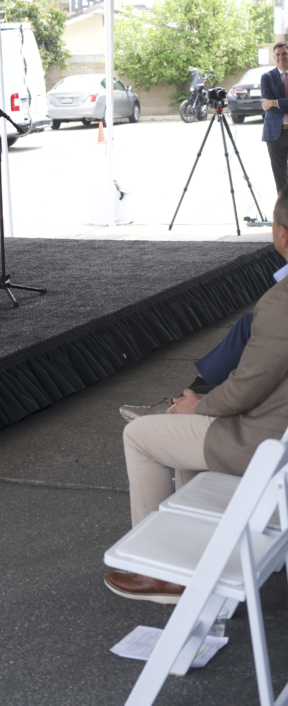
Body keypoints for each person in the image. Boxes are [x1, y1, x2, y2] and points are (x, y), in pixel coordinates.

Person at [104, 186, 288, 603]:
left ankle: (159, 569)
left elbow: (246, 389)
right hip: (275, 431)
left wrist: (200, 404)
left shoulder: (282, 302)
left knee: (141, 435)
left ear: (281, 235)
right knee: (182, 432)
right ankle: (197, 560)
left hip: (265, 443)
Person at [261, 41, 288, 193]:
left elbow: (270, 104)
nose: (281, 57)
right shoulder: (267, 77)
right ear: (273, 57)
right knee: (280, 178)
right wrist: (272, 104)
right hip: (274, 134)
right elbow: (266, 106)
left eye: (284, 53)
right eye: (277, 54)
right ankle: (284, 207)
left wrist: (274, 102)